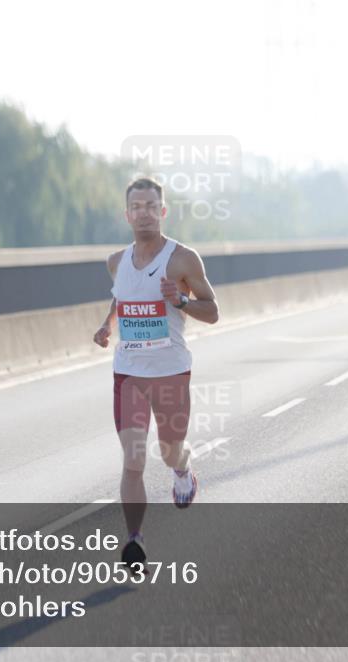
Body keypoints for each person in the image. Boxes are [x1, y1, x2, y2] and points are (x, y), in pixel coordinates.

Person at [93, 177, 219, 568]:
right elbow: (122, 297)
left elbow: (212, 311)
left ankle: (183, 469)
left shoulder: (183, 259)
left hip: (170, 373)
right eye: (137, 206)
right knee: (133, 460)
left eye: (152, 206)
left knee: (168, 450)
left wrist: (180, 299)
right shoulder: (115, 261)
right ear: (127, 214)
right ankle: (135, 540)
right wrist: (107, 325)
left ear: (162, 212)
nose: (144, 212)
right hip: (128, 374)